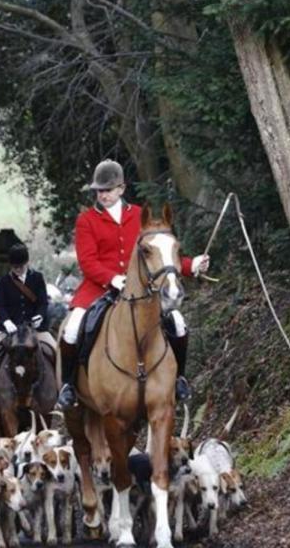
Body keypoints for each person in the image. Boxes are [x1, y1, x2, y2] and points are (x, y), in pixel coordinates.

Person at [55, 160, 211, 410]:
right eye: (99, 190)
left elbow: (160, 255)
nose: (102, 194)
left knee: (179, 325)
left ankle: (180, 379)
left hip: (141, 290)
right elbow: (87, 261)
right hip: (98, 288)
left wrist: (191, 265)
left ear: (121, 188)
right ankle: (69, 385)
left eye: (107, 189)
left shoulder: (140, 215)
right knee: (72, 329)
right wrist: (113, 278)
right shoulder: (87, 220)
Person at [0, 244, 51, 347]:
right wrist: (6, 321)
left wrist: (39, 316)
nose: (18, 270)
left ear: (27, 263)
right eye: (15, 267)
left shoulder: (37, 278)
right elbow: (0, 305)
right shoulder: (2, 281)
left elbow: (43, 302)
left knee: (53, 348)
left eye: (21, 266)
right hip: (10, 328)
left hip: (35, 328)